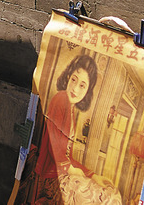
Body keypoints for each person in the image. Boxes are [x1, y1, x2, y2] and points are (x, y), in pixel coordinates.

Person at [18, 55, 122, 205]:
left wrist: (92, 175)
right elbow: (55, 150)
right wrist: (73, 171)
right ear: (68, 77)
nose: (75, 88)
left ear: (87, 91)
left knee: (108, 193)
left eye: (82, 85)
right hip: (49, 178)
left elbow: (68, 157)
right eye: (74, 79)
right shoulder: (61, 99)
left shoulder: (71, 109)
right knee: (104, 198)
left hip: (60, 174)